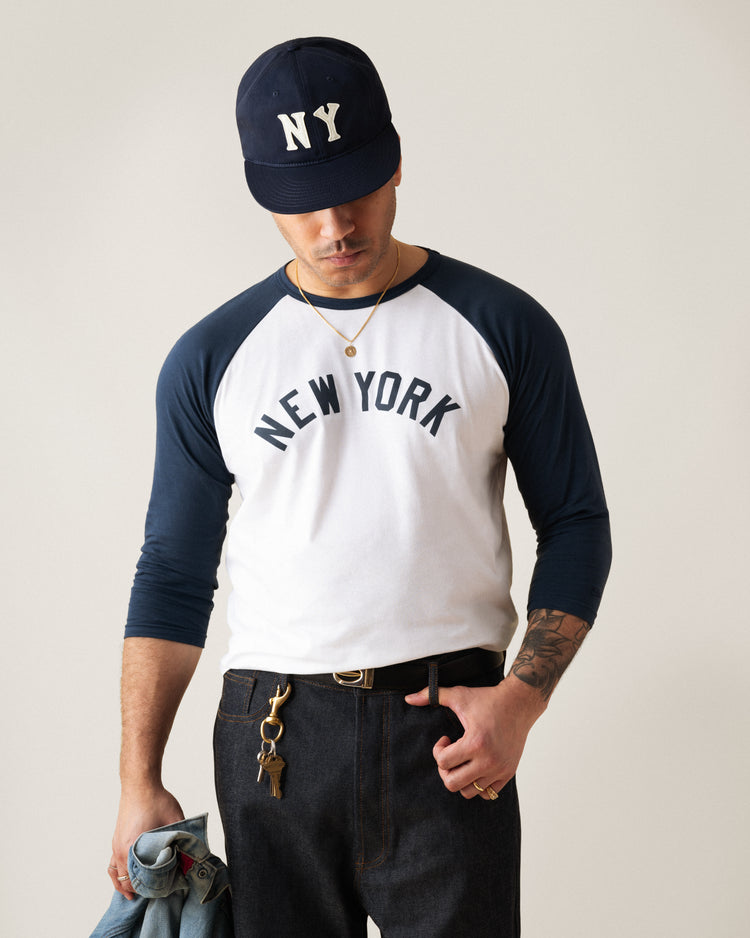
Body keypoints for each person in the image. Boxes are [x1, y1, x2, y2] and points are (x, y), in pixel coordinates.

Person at [107, 36, 611, 937]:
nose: (335, 226)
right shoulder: (213, 357)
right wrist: (137, 778)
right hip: (273, 737)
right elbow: (173, 574)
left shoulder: (502, 324)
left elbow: (574, 522)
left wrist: (522, 702)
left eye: (356, 189)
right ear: (264, 194)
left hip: (450, 730)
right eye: (303, 205)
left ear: (397, 161)